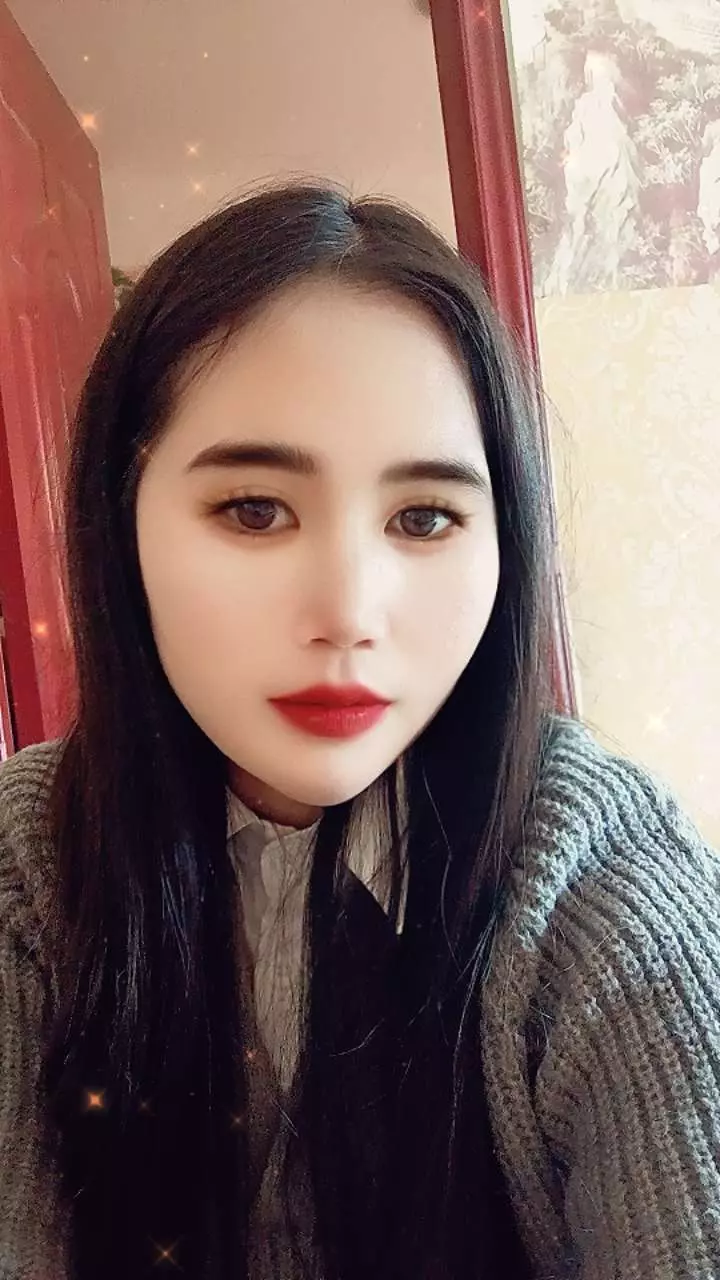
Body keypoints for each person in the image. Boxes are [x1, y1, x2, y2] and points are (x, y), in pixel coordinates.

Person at [0, 181, 718, 1280]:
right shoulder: (29, 870)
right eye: (254, 509)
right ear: (121, 515)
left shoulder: (600, 888)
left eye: (424, 517)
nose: (347, 610)